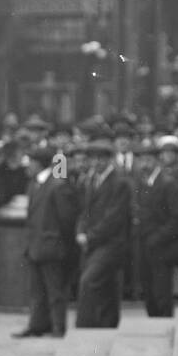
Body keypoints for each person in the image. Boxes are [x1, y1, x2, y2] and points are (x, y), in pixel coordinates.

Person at [14, 144, 78, 338]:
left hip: (51, 245)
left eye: (30, 162)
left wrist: (61, 242)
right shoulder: (34, 184)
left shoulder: (57, 184)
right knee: (37, 289)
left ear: (39, 163)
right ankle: (37, 325)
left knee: (54, 289)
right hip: (35, 245)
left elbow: (67, 218)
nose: (27, 166)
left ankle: (58, 326)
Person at [74, 138, 132, 328]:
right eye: (93, 158)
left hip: (111, 243)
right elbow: (84, 210)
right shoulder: (91, 180)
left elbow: (114, 218)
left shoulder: (119, 182)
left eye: (101, 158)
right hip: (94, 242)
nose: (96, 162)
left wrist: (89, 236)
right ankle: (107, 324)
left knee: (88, 281)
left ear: (109, 159)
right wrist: (81, 230)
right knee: (107, 286)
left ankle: (85, 326)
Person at [137, 136, 178, 317]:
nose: (144, 164)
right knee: (148, 290)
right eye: (142, 160)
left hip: (162, 246)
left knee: (161, 292)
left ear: (156, 161)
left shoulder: (168, 184)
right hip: (145, 246)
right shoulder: (142, 183)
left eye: (148, 160)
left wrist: (158, 236)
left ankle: (164, 325)